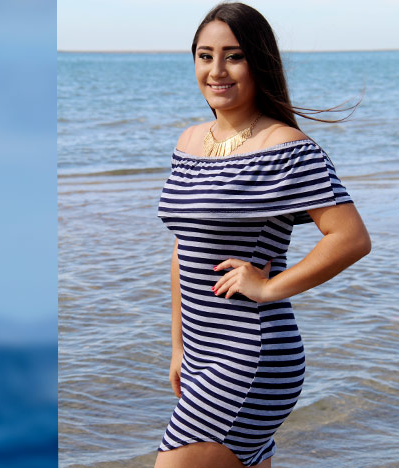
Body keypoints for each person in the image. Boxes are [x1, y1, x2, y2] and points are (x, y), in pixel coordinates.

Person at [154, 3, 371, 467]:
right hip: (200, 354)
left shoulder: (286, 147)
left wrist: (270, 287)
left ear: (259, 62)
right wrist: (178, 348)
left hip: (250, 354)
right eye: (205, 56)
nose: (216, 70)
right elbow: (183, 247)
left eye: (233, 56)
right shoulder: (188, 142)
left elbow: (350, 238)